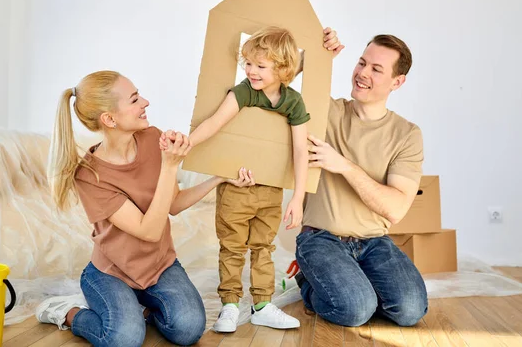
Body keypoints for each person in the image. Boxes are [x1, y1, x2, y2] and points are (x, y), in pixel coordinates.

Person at [35, 70, 254, 347]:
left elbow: (172, 205)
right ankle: (69, 313)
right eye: (135, 99)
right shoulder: (90, 175)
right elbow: (148, 231)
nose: (146, 102)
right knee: (124, 339)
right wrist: (170, 165)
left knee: (188, 329)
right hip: (112, 272)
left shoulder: (153, 139)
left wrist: (219, 178)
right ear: (109, 119)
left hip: (159, 265)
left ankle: (141, 310)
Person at [160, 26, 307, 332]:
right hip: (236, 188)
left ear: (282, 69)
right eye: (249, 63)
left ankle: (263, 304)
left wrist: (298, 197)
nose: (251, 71)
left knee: (263, 248)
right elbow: (214, 123)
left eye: (260, 66)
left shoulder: (293, 102)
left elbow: (300, 150)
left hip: (270, 190)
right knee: (232, 248)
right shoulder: (243, 92)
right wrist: (187, 143)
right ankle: (229, 305)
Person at [294, 29, 429, 327]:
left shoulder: (407, 135)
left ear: (397, 81)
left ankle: (353, 284)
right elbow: (275, 83)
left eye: (376, 69)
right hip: (320, 238)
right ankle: (307, 283)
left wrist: (343, 165)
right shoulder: (328, 112)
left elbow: (395, 209)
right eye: (361, 62)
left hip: (374, 242)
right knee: (355, 310)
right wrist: (313, 58)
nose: (362, 73)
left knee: (410, 310)